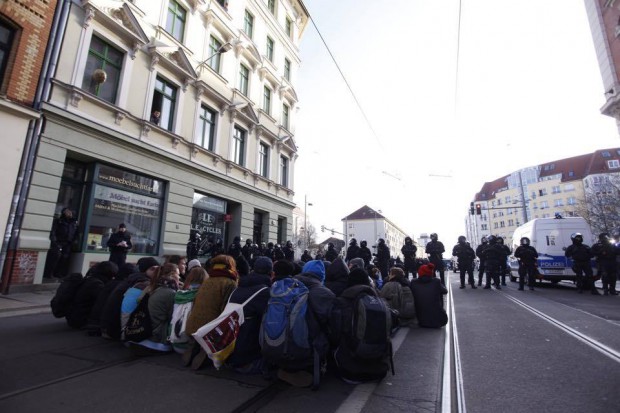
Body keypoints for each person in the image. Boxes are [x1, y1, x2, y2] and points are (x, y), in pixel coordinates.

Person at [275, 260, 335, 387]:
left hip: (279, 344)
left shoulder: (285, 286)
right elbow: (332, 326)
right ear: (322, 275)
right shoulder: (325, 294)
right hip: (306, 349)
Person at [329, 267, 393, 383]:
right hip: (379, 370)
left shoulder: (343, 301)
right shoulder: (379, 300)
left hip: (350, 371)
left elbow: (334, 334)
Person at [185, 254, 239, 369]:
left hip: (192, 323)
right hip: (209, 328)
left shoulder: (207, 280)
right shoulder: (230, 282)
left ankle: (194, 347)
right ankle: (207, 350)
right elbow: (225, 310)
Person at [226, 256, 273, 373]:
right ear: (271, 273)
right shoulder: (264, 291)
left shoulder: (238, 288)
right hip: (247, 354)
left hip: (230, 346)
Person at [100, 257, 159, 340]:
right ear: (144, 270)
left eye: (158, 269)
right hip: (116, 330)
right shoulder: (142, 283)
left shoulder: (132, 279)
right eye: (152, 269)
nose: (156, 272)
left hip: (108, 326)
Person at [128, 263, 181, 356]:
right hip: (157, 340)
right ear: (172, 275)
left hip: (140, 333)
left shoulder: (151, 287)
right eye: (178, 274)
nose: (179, 277)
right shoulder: (170, 293)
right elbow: (174, 318)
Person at [66, 261, 118, 329]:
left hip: (74, 317)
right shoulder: (96, 284)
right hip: (81, 320)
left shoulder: (91, 279)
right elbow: (105, 302)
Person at [43, 207, 78, 279]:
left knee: (64, 258)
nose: (69, 213)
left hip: (68, 243)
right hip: (58, 242)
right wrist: (54, 241)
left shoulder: (73, 223)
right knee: (55, 257)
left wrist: (74, 241)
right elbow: (53, 231)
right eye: (67, 212)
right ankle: (49, 273)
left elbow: (75, 233)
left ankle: (58, 273)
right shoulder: (59, 221)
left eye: (70, 212)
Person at [410, 263, 447, 328]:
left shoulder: (413, 282)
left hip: (420, 321)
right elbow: (445, 291)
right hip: (438, 321)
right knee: (439, 291)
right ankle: (437, 311)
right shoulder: (436, 281)